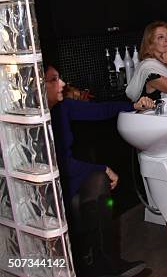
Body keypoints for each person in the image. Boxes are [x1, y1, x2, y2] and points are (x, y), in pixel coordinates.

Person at [46, 64, 154, 277]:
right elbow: (57, 164)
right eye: (54, 80)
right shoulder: (32, 122)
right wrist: (103, 168)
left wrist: (133, 105)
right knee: (98, 177)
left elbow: (99, 110)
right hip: (48, 191)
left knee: (97, 183)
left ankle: (104, 263)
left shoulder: (62, 107)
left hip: (66, 177)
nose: (63, 84)